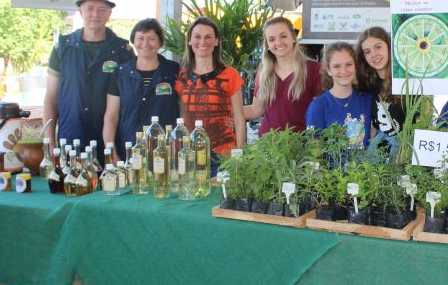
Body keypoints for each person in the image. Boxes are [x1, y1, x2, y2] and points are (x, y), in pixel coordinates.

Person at [43, 0, 134, 155]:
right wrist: (49, 141)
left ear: (109, 13)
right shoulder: (62, 48)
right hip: (70, 141)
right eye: (90, 8)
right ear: (80, 11)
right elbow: (51, 98)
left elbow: (131, 100)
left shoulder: (123, 51)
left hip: (110, 144)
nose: (95, 14)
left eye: (101, 9)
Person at [174, 17, 245, 176]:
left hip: (223, 154)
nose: (202, 42)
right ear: (190, 41)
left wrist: (239, 154)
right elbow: (178, 114)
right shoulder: (180, 76)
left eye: (208, 37)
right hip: (188, 152)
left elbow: (239, 118)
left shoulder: (230, 75)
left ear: (216, 41)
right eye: (197, 36)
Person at [102, 18, 179, 160]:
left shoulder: (174, 71)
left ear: (160, 42)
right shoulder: (120, 73)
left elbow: (184, 110)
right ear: (133, 41)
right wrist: (112, 154)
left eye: (152, 39)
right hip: (128, 150)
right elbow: (111, 117)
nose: (145, 44)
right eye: (140, 38)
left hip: (166, 152)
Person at [243, 16, 322, 135]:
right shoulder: (264, 70)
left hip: (300, 142)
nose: (278, 42)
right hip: (268, 142)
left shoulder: (313, 69)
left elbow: (320, 112)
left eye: (283, 36)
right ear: (267, 44)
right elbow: (256, 110)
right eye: (271, 39)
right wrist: (226, 111)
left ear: (293, 38)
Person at [306, 42, 373, 148]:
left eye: (348, 64)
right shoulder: (318, 106)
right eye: (336, 66)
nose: (343, 71)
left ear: (355, 66)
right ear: (328, 70)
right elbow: (314, 148)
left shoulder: (367, 100)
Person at [356, 27, 406, 151]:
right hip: (378, 155)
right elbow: (374, 125)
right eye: (367, 51)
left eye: (378, 47)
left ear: (389, 46)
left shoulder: (407, 82)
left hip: (405, 153)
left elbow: (420, 122)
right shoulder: (367, 85)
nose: (373, 54)